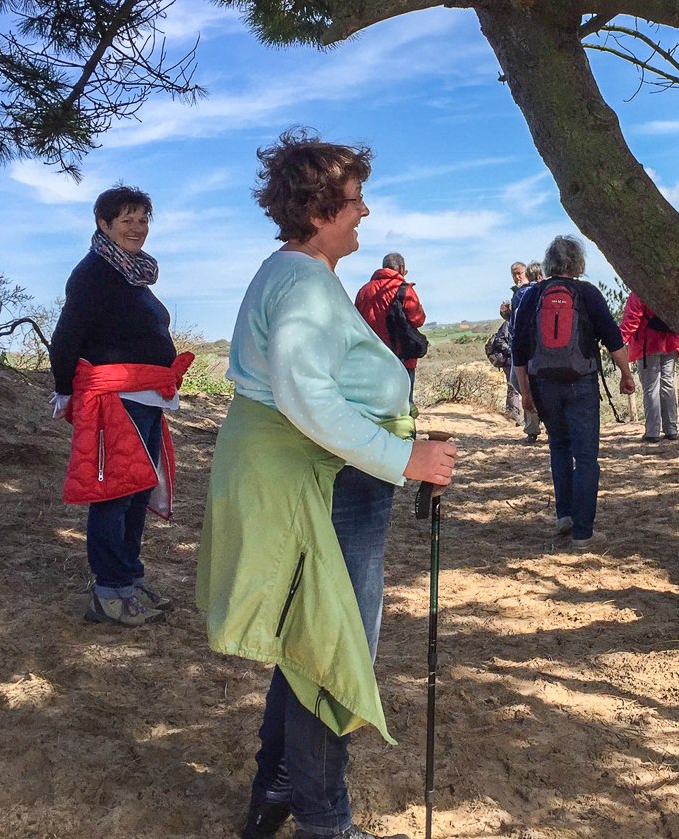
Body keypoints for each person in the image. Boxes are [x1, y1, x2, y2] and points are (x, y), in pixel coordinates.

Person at [196, 132, 458, 839]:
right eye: (354, 200)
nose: (365, 212)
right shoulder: (305, 282)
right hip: (327, 481)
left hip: (322, 475)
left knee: (310, 640)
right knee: (330, 652)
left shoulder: (297, 274)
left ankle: (278, 789)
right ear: (318, 210)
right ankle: (324, 824)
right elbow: (306, 395)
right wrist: (404, 461)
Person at [49, 184, 192, 628]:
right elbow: (67, 335)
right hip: (115, 398)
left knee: (136, 492)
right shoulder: (94, 272)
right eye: (127, 219)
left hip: (146, 397)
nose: (137, 227)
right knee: (114, 493)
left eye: (143, 219)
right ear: (103, 224)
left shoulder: (132, 273)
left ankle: (128, 581)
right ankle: (110, 592)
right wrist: (64, 388)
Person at [512, 236, 635, 551]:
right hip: (581, 382)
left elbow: (520, 349)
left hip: (542, 383)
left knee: (559, 448)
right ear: (577, 264)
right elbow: (613, 338)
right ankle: (583, 532)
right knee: (586, 456)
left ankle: (564, 516)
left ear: (550, 263)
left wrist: (525, 392)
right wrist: (626, 374)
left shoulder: (532, 295)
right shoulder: (588, 294)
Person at [354, 251, 426, 395]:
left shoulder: (363, 291)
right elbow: (418, 319)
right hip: (401, 357)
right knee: (404, 405)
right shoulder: (404, 289)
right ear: (400, 268)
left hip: (372, 357)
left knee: (375, 403)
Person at [619, 293, 679, 442]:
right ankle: (671, 429)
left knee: (651, 387)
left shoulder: (639, 291)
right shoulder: (664, 288)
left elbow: (632, 318)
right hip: (670, 342)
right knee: (668, 384)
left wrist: (618, 341)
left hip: (647, 345)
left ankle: (652, 431)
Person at [508, 261, 544, 444]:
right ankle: (543, 425)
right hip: (543, 349)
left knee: (522, 384)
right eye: (514, 273)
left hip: (524, 348)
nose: (517, 276)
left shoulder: (522, 294)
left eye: (520, 273)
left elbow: (516, 325)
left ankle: (532, 428)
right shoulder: (545, 291)